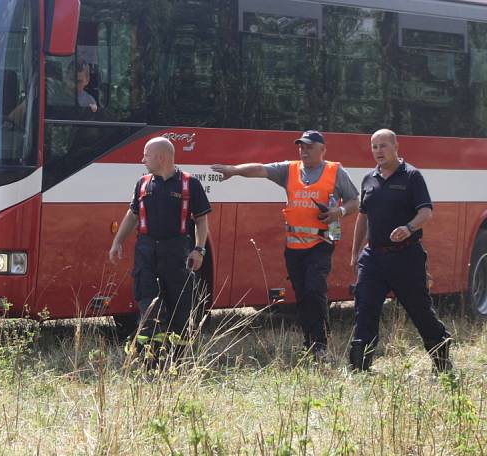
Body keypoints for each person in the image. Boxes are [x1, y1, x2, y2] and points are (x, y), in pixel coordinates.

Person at [211, 130, 359, 361]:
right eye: (301, 146)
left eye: (309, 146)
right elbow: (260, 169)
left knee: (314, 290)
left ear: (322, 149)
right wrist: (235, 171)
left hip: (321, 243)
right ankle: (309, 344)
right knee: (301, 297)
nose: (304, 150)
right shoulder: (289, 170)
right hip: (294, 247)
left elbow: (355, 201)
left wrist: (338, 211)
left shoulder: (334, 171)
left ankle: (320, 345)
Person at [349, 129, 452, 373]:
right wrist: (355, 253)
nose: (378, 151)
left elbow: (426, 211)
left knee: (419, 310)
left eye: (383, 146)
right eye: (374, 147)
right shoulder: (368, 179)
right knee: (365, 307)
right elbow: (362, 218)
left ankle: (442, 360)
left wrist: (409, 227)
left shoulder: (412, 176)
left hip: (406, 256)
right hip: (373, 257)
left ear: (396, 146)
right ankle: (359, 369)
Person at [109, 137, 211, 362]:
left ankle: (178, 360)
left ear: (161, 157)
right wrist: (118, 242)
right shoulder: (143, 183)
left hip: (176, 253)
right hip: (146, 251)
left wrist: (199, 250)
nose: (142, 159)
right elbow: (133, 214)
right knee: (147, 304)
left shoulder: (189, 184)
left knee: (180, 307)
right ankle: (150, 359)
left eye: (146, 154)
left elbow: (201, 220)